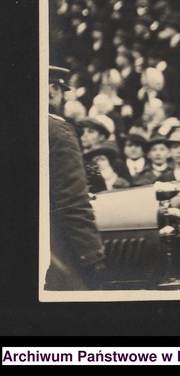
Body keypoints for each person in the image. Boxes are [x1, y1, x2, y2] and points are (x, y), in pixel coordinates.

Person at [46, 65, 106, 291]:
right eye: (62, 91)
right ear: (52, 90)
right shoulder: (58, 130)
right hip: (54, 251)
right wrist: (92, 256)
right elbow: (72, 201)